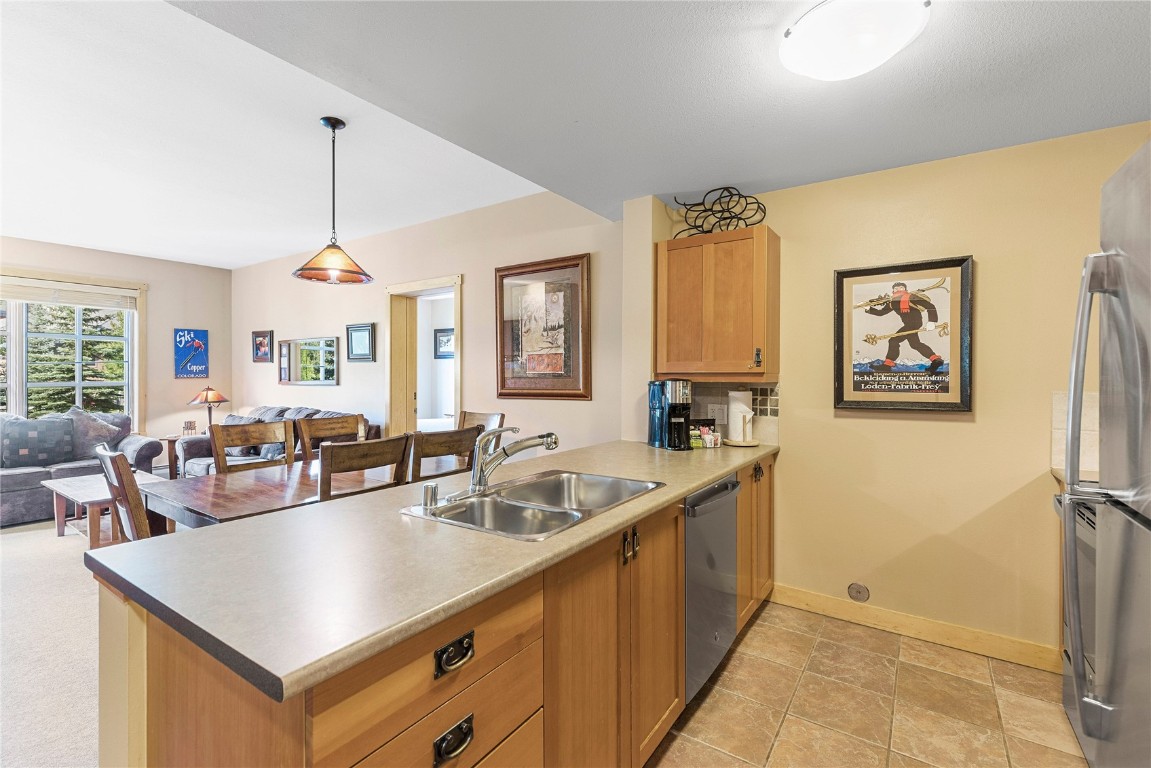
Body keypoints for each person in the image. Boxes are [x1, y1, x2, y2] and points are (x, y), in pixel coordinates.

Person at [864, 282, 944, 373]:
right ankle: (936, 360)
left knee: (893, 340)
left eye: (901, 287)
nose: (898, 289)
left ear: (905, 289)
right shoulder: (892, 302)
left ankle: (887, 365)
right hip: (908, 325)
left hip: (915, 323)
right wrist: (868, 309)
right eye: (896, 288)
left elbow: (930, 306)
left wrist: (932, 321)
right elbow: (881, 313)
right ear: (892, 291)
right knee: (915, 344)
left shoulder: (911, 297)